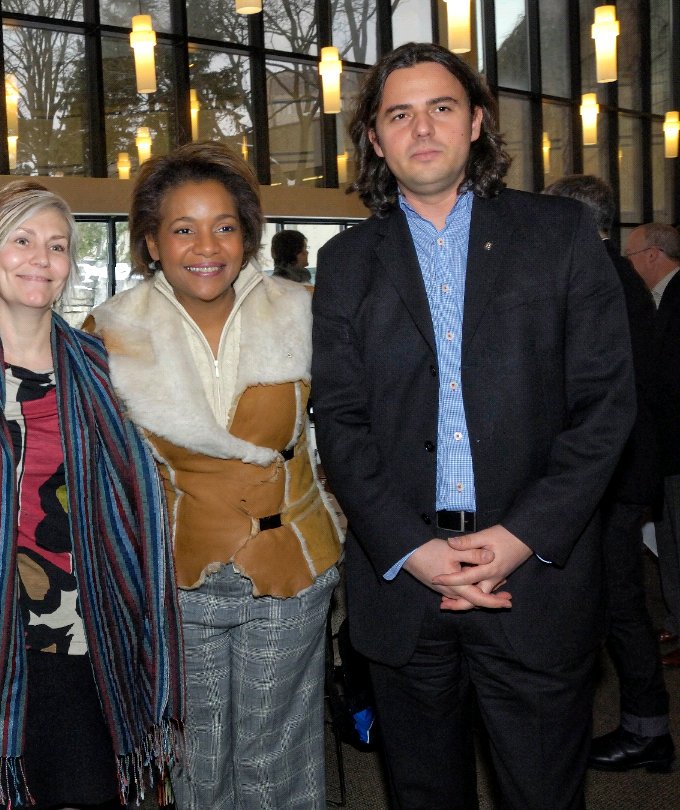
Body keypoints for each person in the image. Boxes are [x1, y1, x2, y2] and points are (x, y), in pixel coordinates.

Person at [311, 43, 635, 810]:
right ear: (376, 140)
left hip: (534, 582)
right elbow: (342, 422)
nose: (421, 127)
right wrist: (414, 549)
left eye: (442, 106)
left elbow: (606, 406)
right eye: (399, 113)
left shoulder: (558, 236)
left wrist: (520, 537)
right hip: (405, 591)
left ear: (477, 122)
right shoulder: (347, 262)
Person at [85, 141, 342, 809]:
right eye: (183, 228)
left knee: (276, 758)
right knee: (193, 764)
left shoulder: (302, 311)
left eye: (225, 226)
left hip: (288, 568)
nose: (207, 246)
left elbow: (358, 428)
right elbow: (93, 473)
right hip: (176, 583)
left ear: (248, 236)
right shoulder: (111, 331)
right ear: (150, 241)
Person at [0, 180, 184, 809]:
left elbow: (144, 496)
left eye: (57, 245)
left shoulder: (108, 369)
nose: (40, 259)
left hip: (92, 641)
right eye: (21, 240)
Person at [542, 176, 673, 772]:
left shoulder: (599, 279)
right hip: (621, 474)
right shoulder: (617, 276)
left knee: (619, 603)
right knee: (611, 601)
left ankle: (648, 731)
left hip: (612, 478)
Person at [625, 223, 680, 669]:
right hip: (667, 448)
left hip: (677, 445)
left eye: (630, 255)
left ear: (651, 254)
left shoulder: (676, 298)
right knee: (670, 540)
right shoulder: (661, 299)